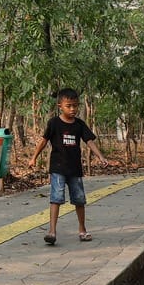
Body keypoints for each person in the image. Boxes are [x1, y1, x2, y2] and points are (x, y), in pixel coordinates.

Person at [28, 88, 109, 245]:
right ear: (60, 106)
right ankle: (52, 231)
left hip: (75, 170)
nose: (72, 109)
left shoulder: (79, 124)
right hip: (58, 168)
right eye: (69, 106)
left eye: (75, 106)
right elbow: (44, 141)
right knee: (56, 198)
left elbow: (89, 141)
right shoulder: (54, 123)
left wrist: (100, 156)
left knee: (79, 200)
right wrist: (33, 158)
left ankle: (82, 229)